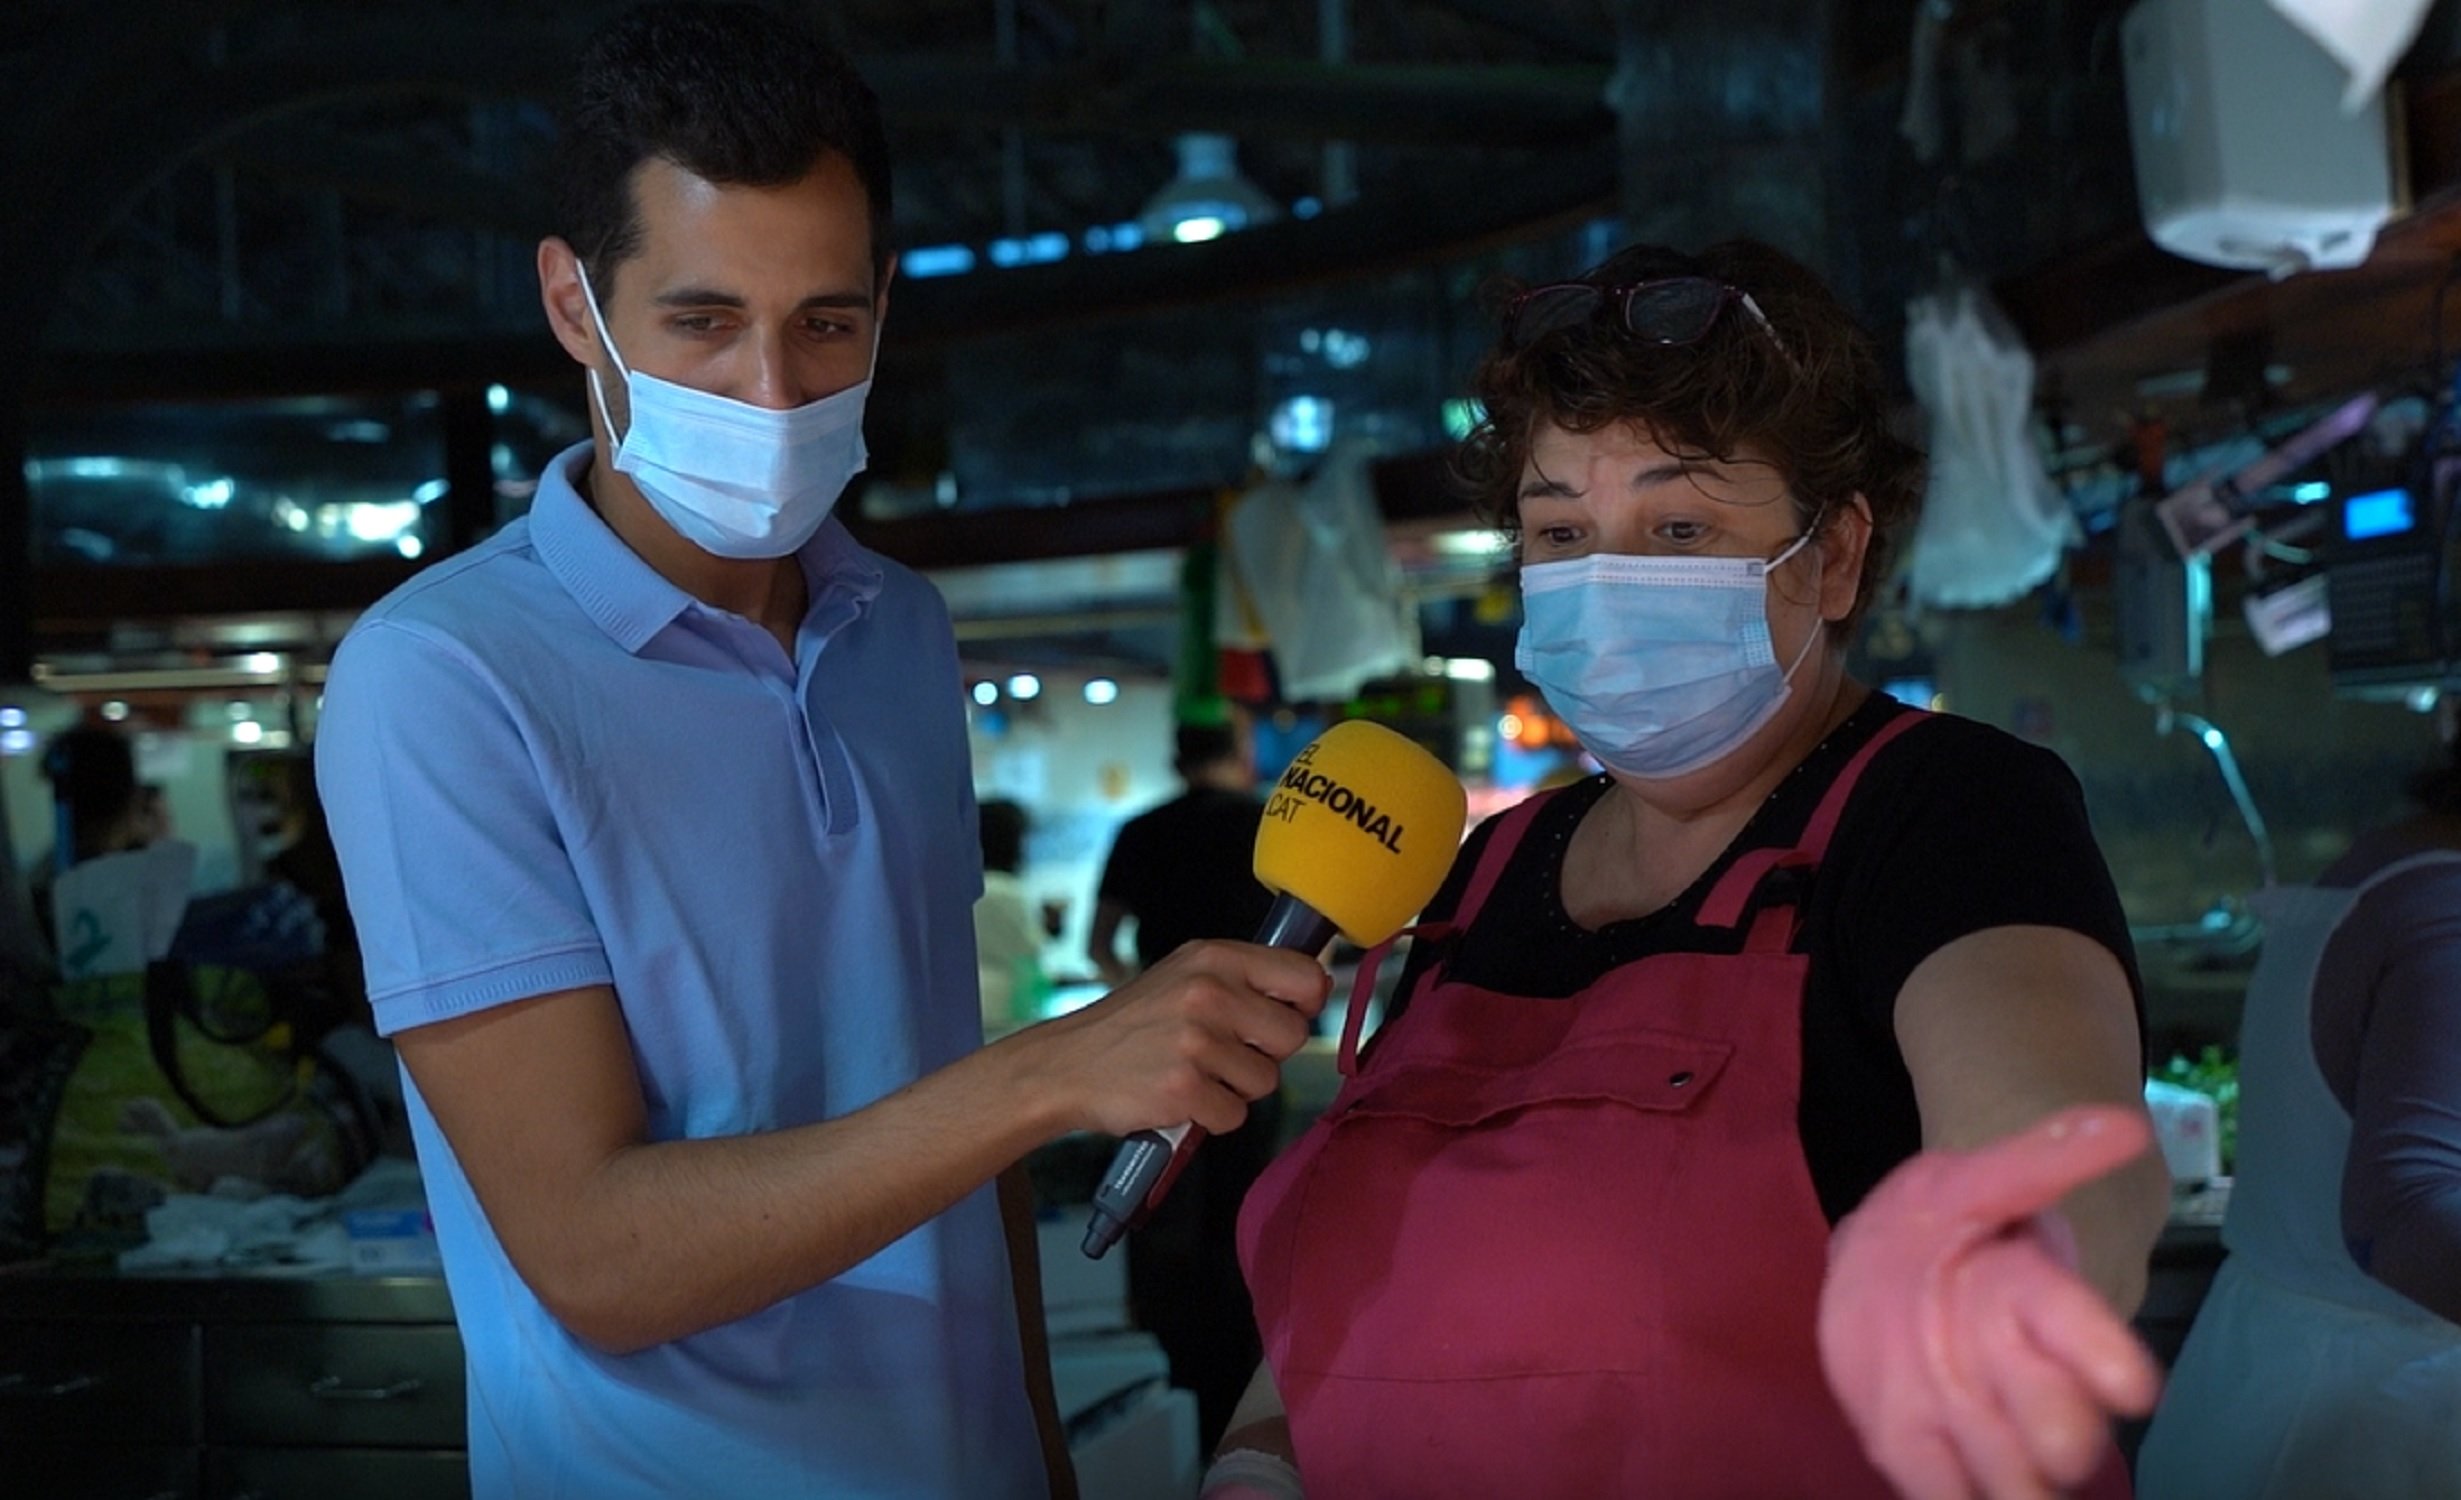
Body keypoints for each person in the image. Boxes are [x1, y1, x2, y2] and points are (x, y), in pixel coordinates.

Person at [311, 8, 1328, 1497]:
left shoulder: (897, 631)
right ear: (574, 305)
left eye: (827, 324)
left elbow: (937, 1102)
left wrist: (1033, 1451)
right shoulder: (442, 679)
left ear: (884, 305)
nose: (773, 396)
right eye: (703, 323)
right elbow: (593, 1254)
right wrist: (1049, 1078)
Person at [1209, 239, 2171, 1500]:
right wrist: (1255, 1461)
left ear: (1829, 558)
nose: (1607, 581)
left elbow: (2053, 1160)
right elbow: (1349, 1283)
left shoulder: (1941, 808)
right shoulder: (1485, 869)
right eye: (1561, 528)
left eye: (1677, 523)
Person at [2135, 698, 2461, 1497]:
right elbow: (2406, 1209)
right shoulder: (2444, 907)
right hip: (2363, 1425)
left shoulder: (2392, 865)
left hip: (2281, 1380)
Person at [1088, 718, 1284, 1451]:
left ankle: (1170, 1383)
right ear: (1237, 755)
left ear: (1173, 758)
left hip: (1159, 1057)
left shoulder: (1140, 832)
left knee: (1156, 1202)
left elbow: (1098, 944)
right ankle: (1244, 1398)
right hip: (1251, 1048)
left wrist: (1143, 1009)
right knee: (1244, 1211)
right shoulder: (1268, 824)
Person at [974, 798, 1048, 1029]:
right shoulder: (1006, 891)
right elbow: (1029, 948)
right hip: (1005, 1009)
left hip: (973, 1001)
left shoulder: (963, 889)